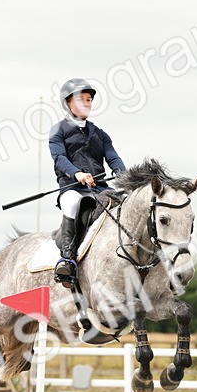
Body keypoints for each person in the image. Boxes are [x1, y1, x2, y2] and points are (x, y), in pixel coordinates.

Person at [48, 78, 126, 286]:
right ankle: (67, 260)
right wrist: (77, 174)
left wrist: (123, 174)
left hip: (99, 188)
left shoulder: (100, 134)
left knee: (125, 204)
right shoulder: (58, 131)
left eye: (89, 100)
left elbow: (113, 157)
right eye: (80, 99)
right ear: (68, 103)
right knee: (73, 204)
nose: (86, 103)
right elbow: (59, 158)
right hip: (72, 187)